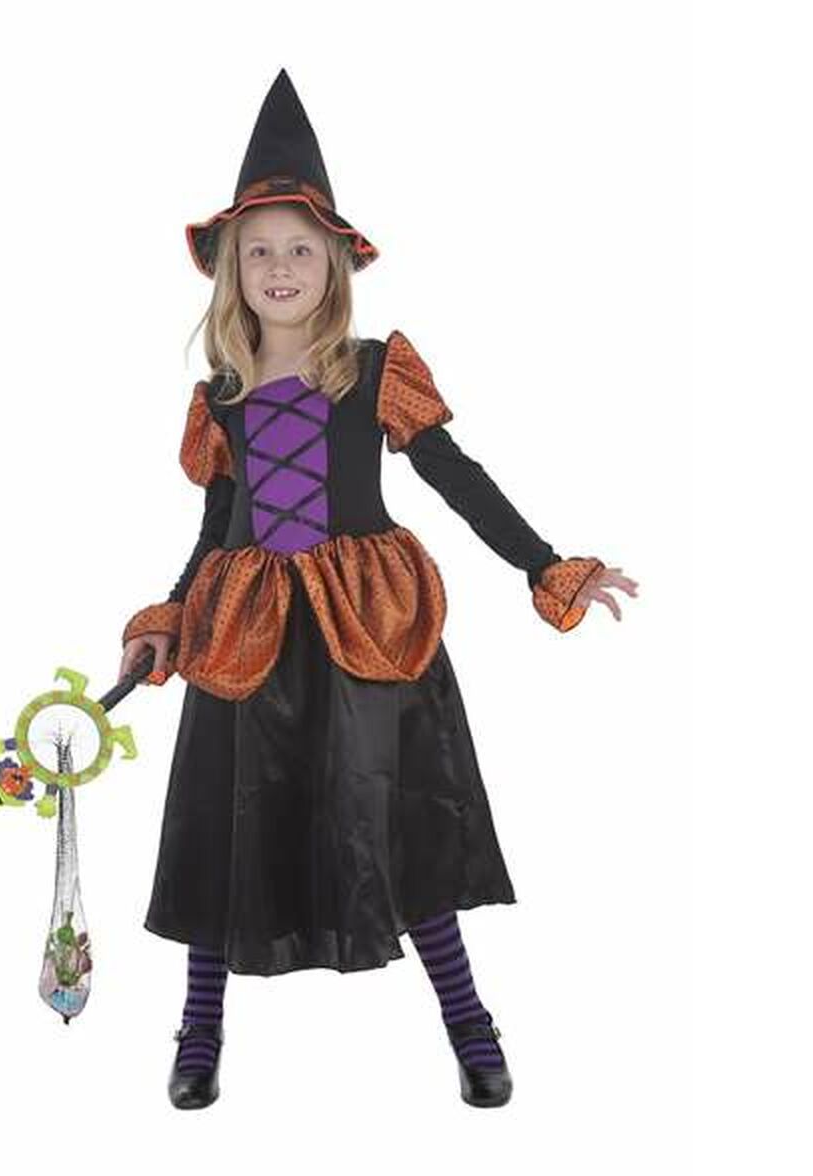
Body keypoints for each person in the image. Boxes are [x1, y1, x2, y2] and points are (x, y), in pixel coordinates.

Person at [117, 68, 638, 1110]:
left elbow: (456, 476)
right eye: (258, 250)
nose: (279, 267)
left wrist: (546, 565)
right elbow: (218, 529)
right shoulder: (220, 399)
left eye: (299, 249)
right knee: (228, 827)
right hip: (243, 638)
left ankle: (469, 1024)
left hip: (369, 634)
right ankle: (199, 1029)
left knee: (394, 823)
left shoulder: (372, 371)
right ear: (229, 271)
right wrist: (169, 619)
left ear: (336, 265)